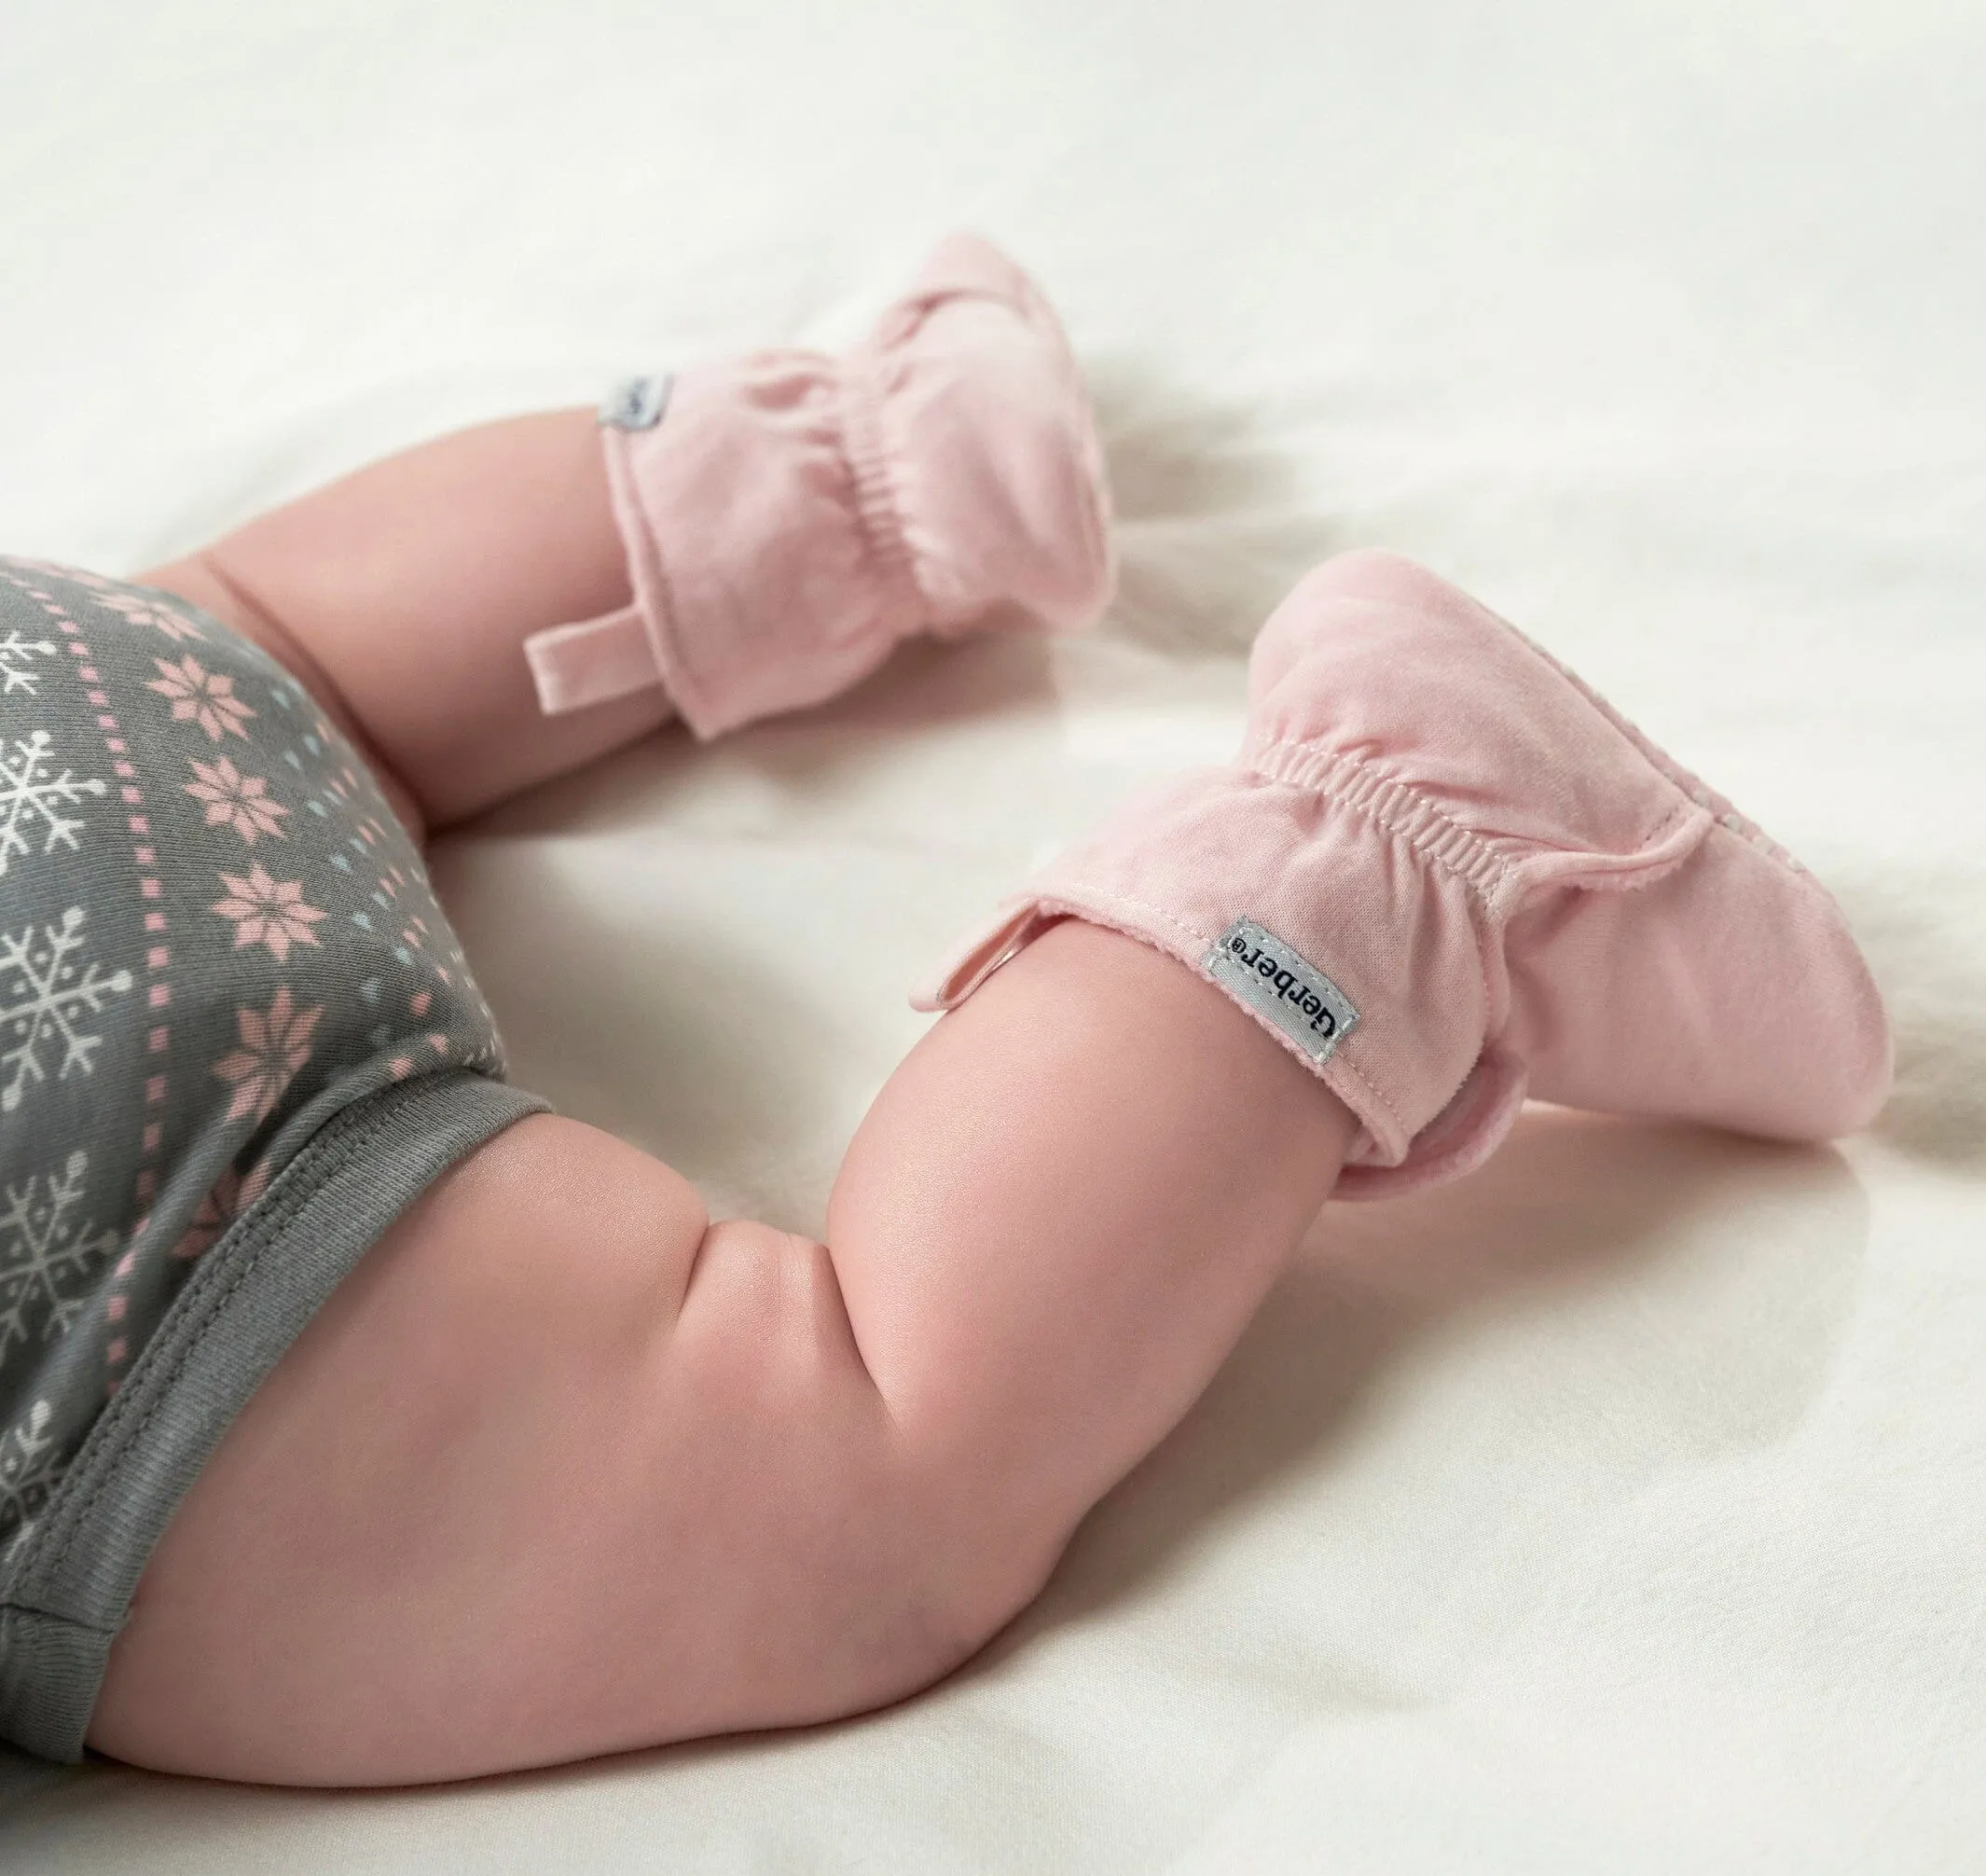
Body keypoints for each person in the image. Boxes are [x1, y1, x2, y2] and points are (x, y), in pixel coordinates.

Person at [0, 239, 1890, 1786]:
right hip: (67, 703)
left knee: (846, 1447)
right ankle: (868, 468)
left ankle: (1393, 847)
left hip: (113, 1237)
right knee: (274, 638)